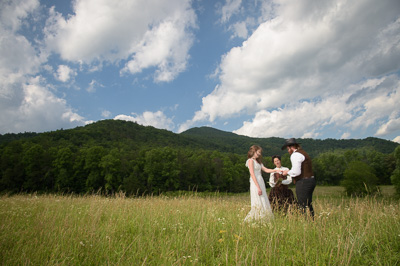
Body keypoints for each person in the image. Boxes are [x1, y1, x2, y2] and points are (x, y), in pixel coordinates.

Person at [281, 138, 316, 218]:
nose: (288, 151)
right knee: (308, 203)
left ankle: (305, 223)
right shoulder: (303, 153)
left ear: (291, 147)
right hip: (311, 180)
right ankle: (312, 221)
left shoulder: (295, 155)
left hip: (303, 181)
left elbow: (296, 172)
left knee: (302, 205)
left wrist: (287, 172)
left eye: (287, 149)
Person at [244, 145, 279, 222]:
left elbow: (266, 170)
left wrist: (276, 170)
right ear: (254, 151)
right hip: (255, 182)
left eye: (260, 152)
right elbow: (252, 174)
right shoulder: (250, 161)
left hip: (260, 181)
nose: (259, 154)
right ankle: (257, 219)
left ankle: (265, 219)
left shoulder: (258, 162)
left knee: (263, 199)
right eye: (258, 152)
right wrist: (258, 187)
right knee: (258, 199)